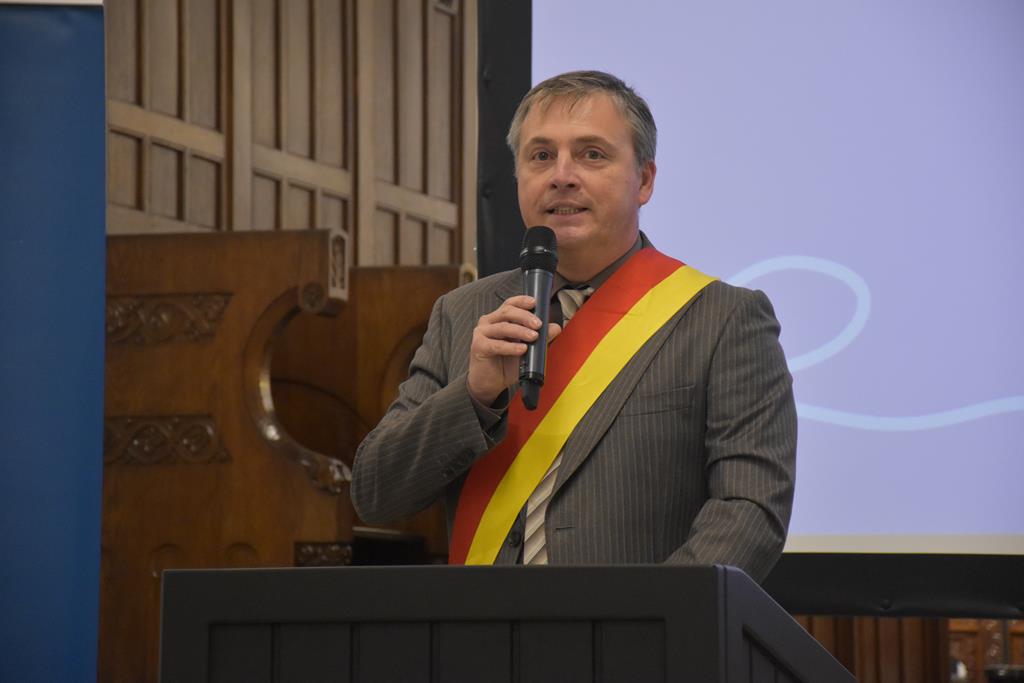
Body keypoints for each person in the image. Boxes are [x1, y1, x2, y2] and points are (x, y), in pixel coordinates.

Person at [351, 70, 796, 582]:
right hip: (482, 626)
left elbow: (749, 509)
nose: (562, 175)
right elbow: (376, 493)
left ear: (644, 180)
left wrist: (653, 617)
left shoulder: (723, 318)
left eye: (592, 155)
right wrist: (473, 395)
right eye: (541, 156)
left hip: (639, 627)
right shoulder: (462, 313)